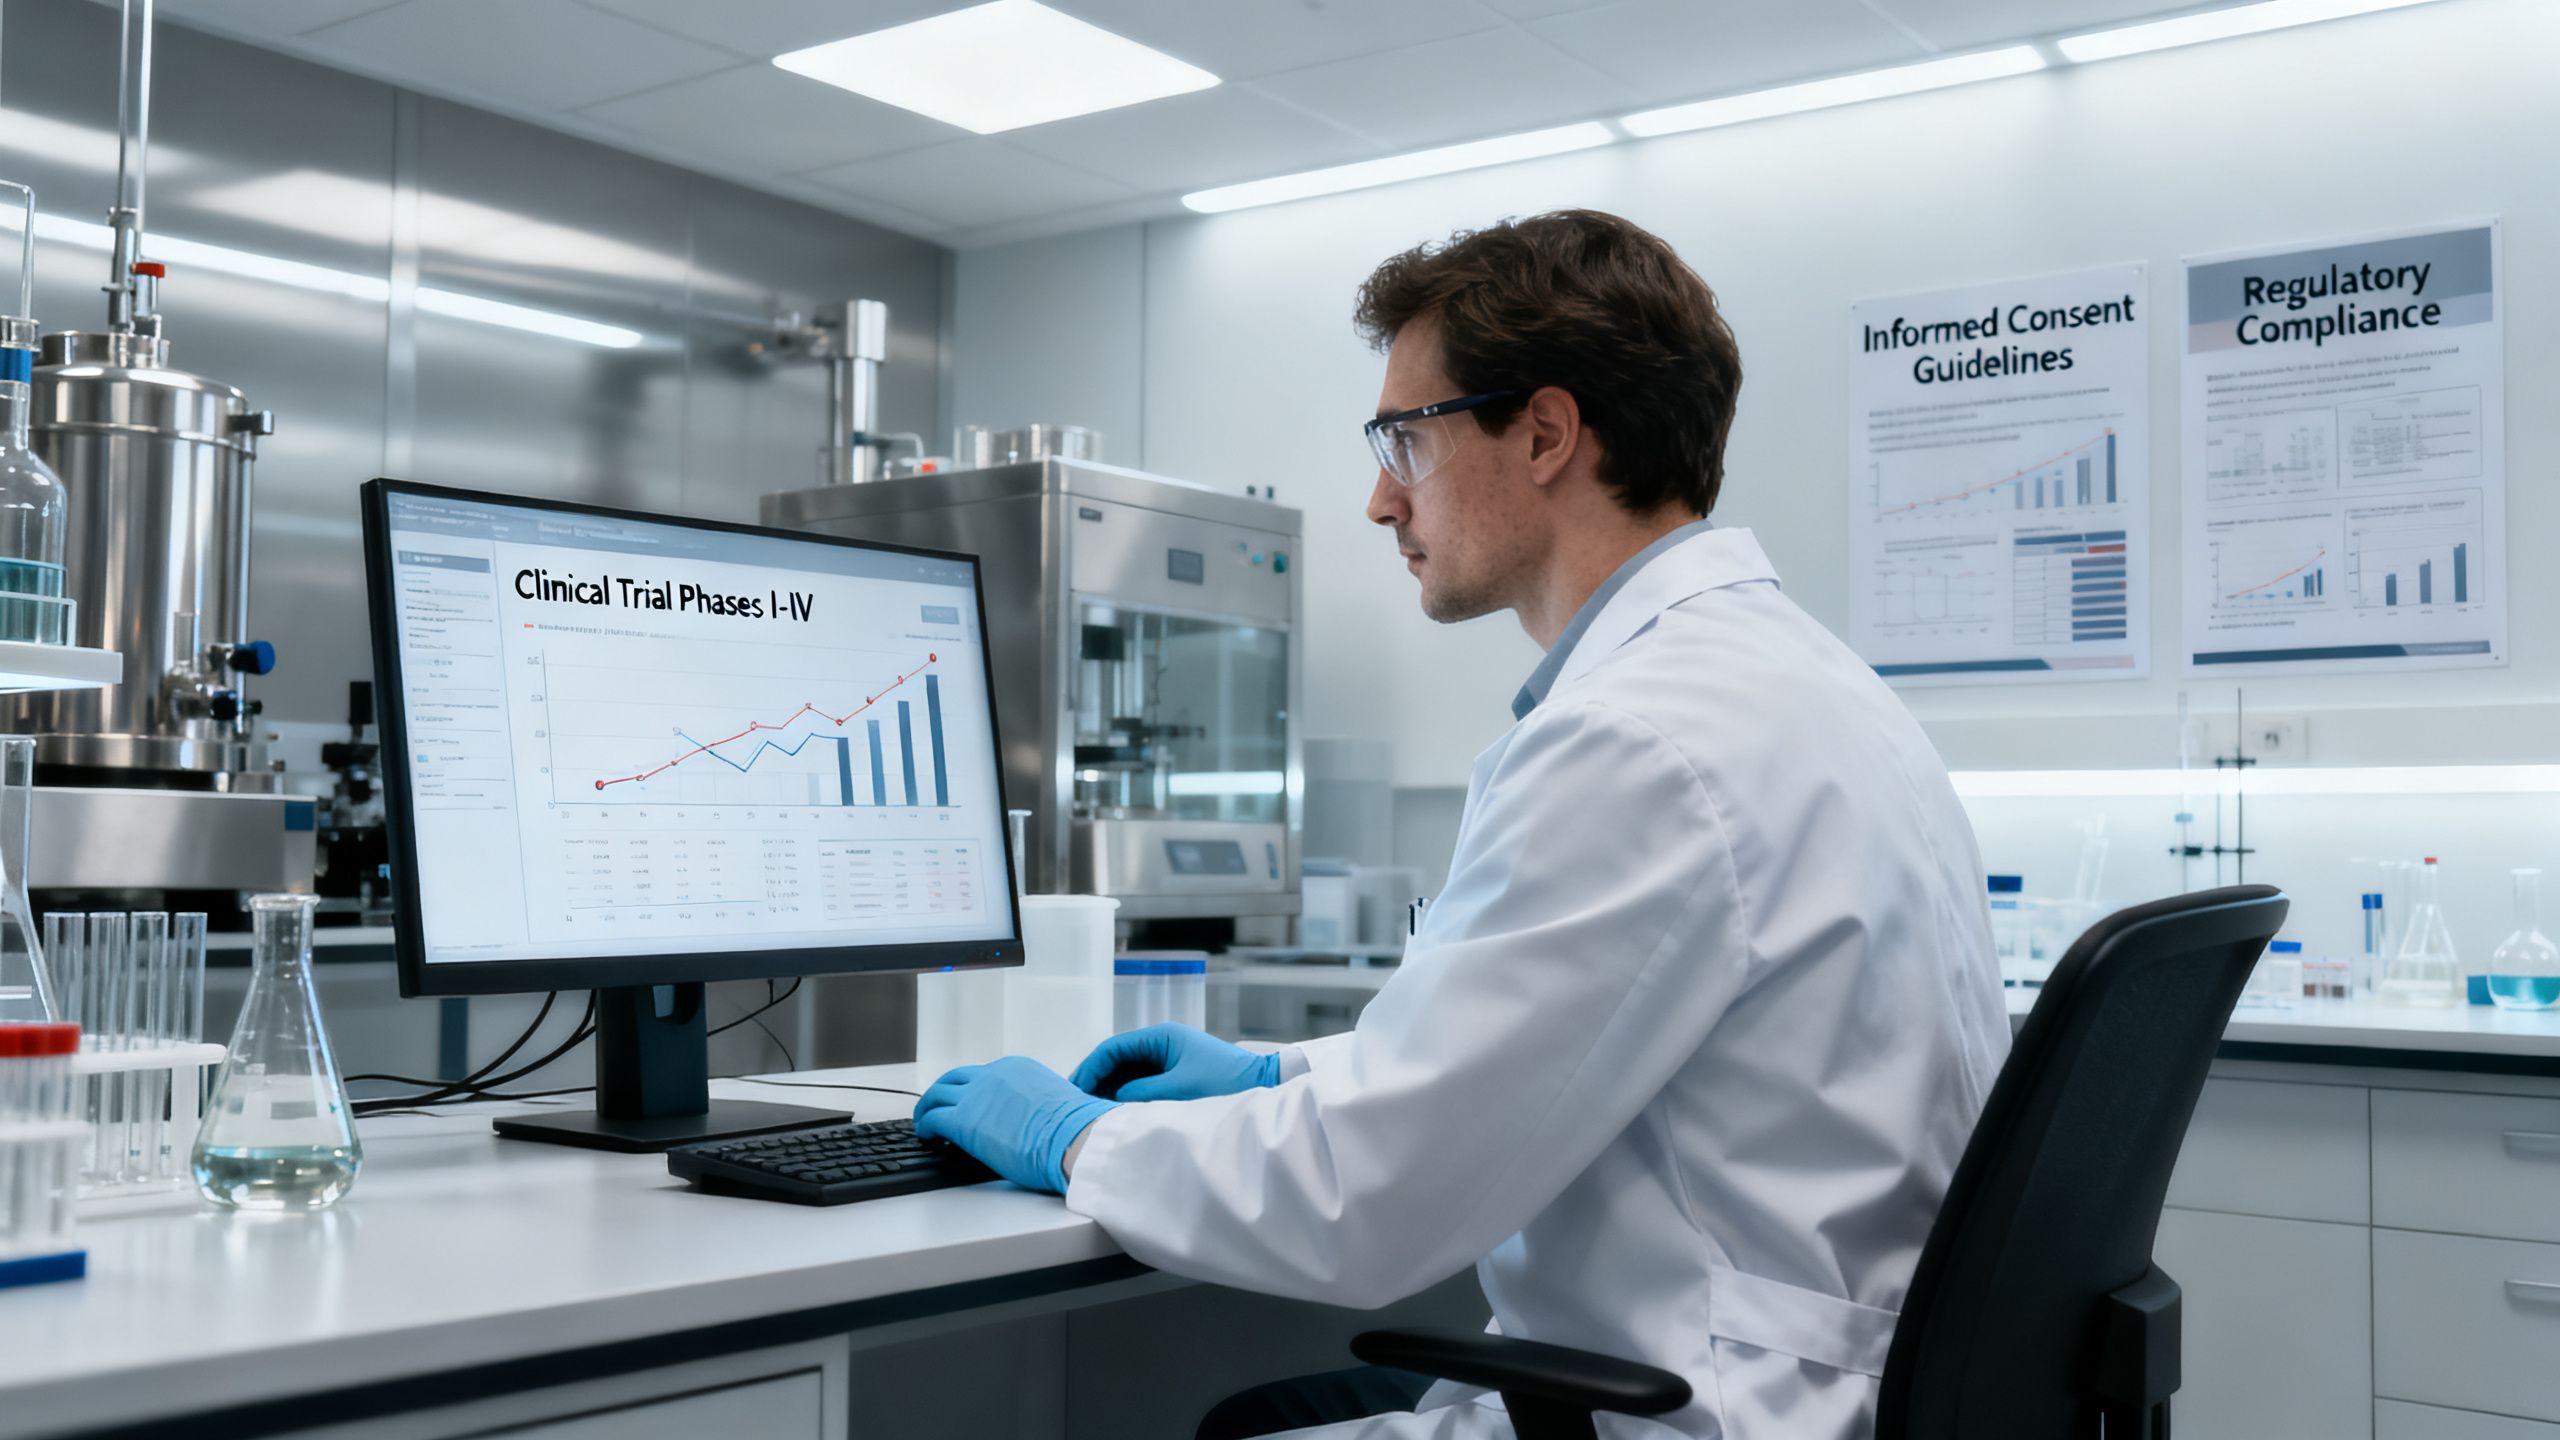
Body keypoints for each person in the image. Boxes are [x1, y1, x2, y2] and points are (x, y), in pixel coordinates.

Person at [913, 209, 2009, 1440]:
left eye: (1404, 439)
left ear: (1543, 433)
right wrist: (1284, 1071)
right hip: (1827, 1372)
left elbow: (1359, 1203)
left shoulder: (1638, 741)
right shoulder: (1793, 681)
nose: (1382, 500)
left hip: (1702, 1404)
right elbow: (1538, 1053)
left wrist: (1078, 1144)